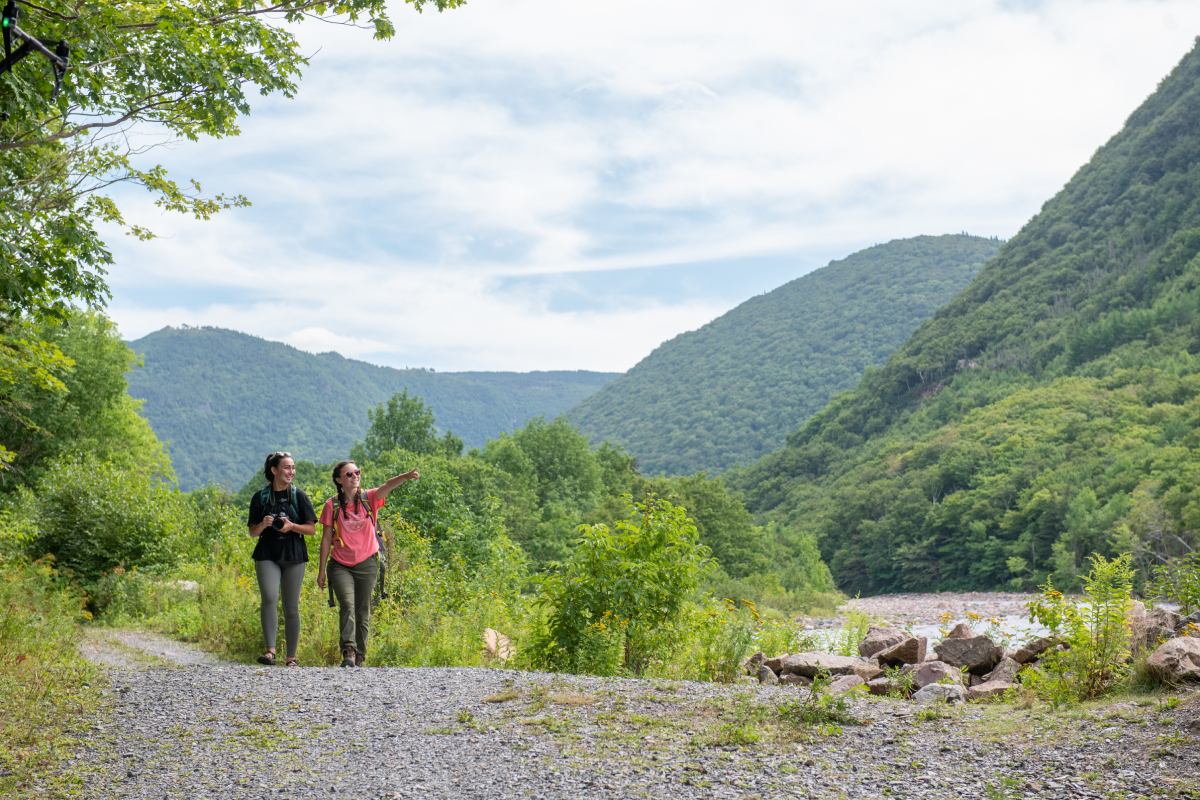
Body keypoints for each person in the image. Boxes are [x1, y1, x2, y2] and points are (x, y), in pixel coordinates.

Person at [316, 461, 418, 667]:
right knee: (347, 604)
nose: (355, 476)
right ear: (339, 479)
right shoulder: (331, 505)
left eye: (358, 472)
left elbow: (387, 486)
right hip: (340, 564)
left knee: (363, 610)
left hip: (368, 562)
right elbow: (326, 539)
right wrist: (321, 571)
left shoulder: (368, 498)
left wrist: (404, 477)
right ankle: (349, 650)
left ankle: (360, 656)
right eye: (350, 473)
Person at [247, 452, 317, 668]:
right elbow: (252, 532)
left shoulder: (299, 496)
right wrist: (264, 524)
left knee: (291, 607)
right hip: (267, 553)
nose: (291, 472)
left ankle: (291, 658)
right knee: (269, 597)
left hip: (294, 554)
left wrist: (291, 526)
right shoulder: (260, 498)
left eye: (293, 467)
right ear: (274, 470)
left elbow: (312, 529)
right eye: (287, 467)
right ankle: (270, 651)